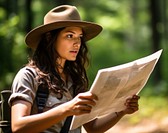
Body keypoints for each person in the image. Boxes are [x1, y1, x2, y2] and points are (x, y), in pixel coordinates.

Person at [8, 5, 140, 133]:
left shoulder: (75, 80)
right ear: (49, 37)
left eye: (80, 37)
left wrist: (121, 111)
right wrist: (67, 109)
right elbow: (18, 126)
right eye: (70, 36)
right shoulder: (28, 76)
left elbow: (93, 128)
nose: (77, 43)